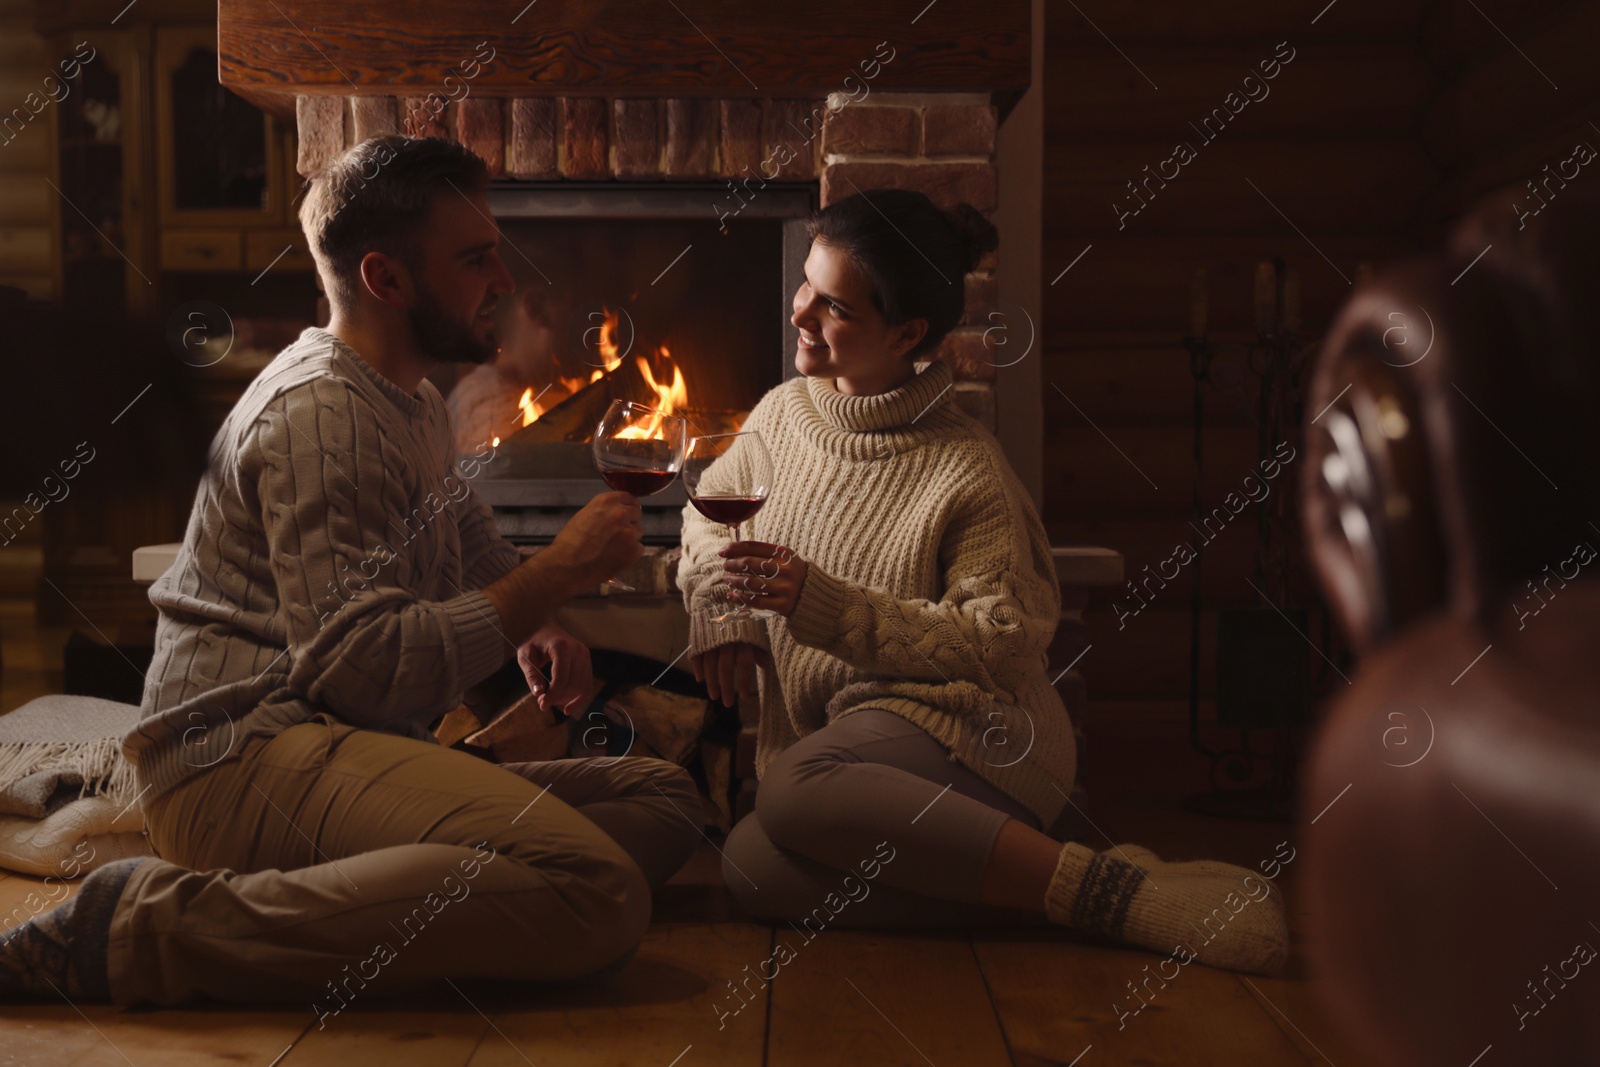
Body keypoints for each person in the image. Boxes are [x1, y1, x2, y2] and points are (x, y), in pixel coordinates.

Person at [0, 135, 701, 1007]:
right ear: (388, 279)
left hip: (347, 739)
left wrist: (541, 618)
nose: (505, 284)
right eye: (476, 259)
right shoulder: (322, 415)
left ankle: (426, 879)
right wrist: (554, 576)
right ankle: (145, 925)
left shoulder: (408, 394)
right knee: (600, 890)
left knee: (663, 800)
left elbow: (470, 539)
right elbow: (362, 668)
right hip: (242, 756)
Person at [678, 189, 1289, 974]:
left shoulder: (967, 469)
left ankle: (1105, 895)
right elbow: (706, 514)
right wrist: (723, 608)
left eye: (834, 306)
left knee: (794, 788)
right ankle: (1079, 884)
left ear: (908, 333)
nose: (799, 314)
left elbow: (1000, 644)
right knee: (751, 865)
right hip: (848, 752)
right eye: (805, 284)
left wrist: (824, 606)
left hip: (977, 731)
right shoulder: (782, 414)